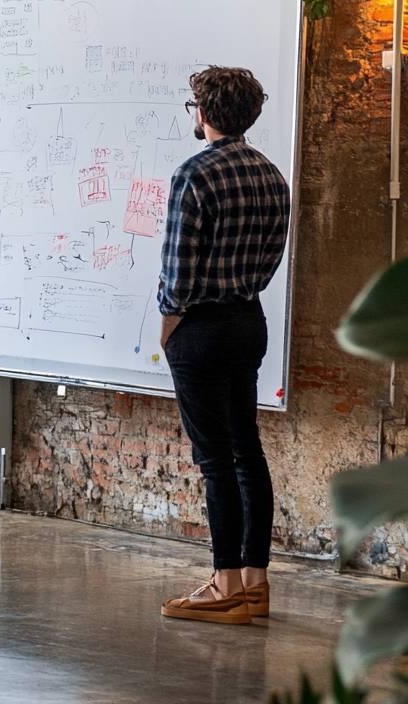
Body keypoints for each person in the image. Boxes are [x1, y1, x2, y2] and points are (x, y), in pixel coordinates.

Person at [158, 66, 291, 624]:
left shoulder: (195, 174)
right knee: (245, 451)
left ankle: (223, 584)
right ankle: (255, 584)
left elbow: (178, 272)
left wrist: (169, 326)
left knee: (213, 460)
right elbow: (271, 257)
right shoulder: (270, 174)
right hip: (248, 320)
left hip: (202, 328)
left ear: (205, 112)